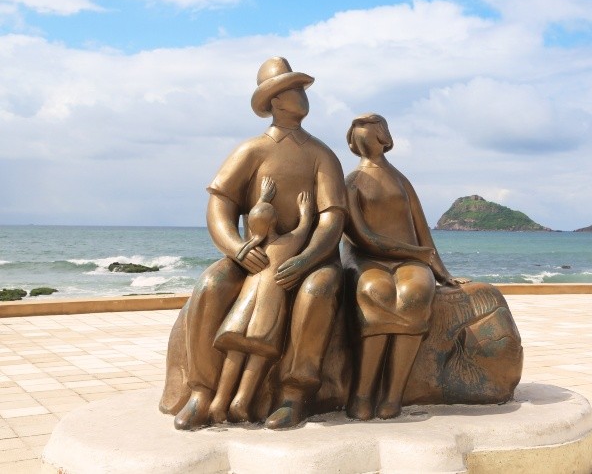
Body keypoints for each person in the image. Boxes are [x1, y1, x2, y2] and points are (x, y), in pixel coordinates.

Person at [165, 57, 347, 430]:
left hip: (309, 258)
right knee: (213, 284)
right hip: (257, 253)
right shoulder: (250, 150)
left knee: (317, 290)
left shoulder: (321, 155)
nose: (302, 96)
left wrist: (310, 256)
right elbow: (221, 203)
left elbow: (332, 217)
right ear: (276, 100)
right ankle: (202, 391)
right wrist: (236, 248)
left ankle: (295, 395)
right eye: (294, 89)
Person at [341, 113, 467, 421]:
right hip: (367, 258)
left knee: (415, 293)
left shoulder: (400, 180)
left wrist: (440, 270)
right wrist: (416, 252)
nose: (365, 139)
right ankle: (362, 394)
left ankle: (393, 395)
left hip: (409, 260)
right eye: (359, 135)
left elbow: (423, 232)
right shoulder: (351, 182)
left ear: (384, 138)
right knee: (376, 292)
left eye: (371, 133)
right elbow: (360, 236)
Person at [208, 177, 315, 423]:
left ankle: (220, 400)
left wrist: (263, 199)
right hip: (267, 311)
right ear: (275, 221)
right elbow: (303, 229)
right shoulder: (285, 244)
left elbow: (257, 222)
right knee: (258, 352)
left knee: (235, 351)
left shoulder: (251, 249)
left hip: (242, 312)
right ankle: (241, 401)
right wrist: (305, 212)